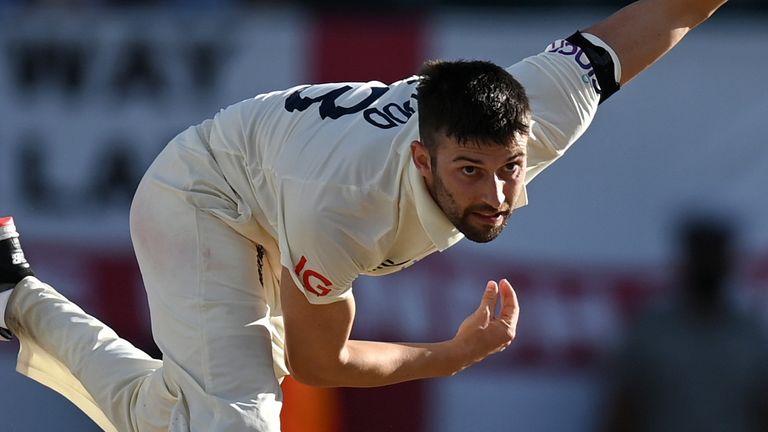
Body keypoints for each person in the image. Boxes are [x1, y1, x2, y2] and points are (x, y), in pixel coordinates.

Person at [0, 0, 729, 430]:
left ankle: (10, 295)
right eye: (469, 173)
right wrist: (453, 355)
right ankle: (16, 297)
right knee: (230, 426)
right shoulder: (345, 208)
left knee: (191, 418)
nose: (497, 196)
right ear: (420, 161)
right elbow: (321, 363)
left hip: (277, 173)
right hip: (206, 196)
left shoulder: (546, 103)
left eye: (509, 168)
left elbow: (672, 11)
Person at [601, 215, 768, 432]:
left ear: (727, 262)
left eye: (714, 255)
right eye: (701, 255)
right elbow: (623, 408)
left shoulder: (749, 336)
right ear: (687, 260)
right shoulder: (652, 332)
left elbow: (762, 410)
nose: (708, 264)